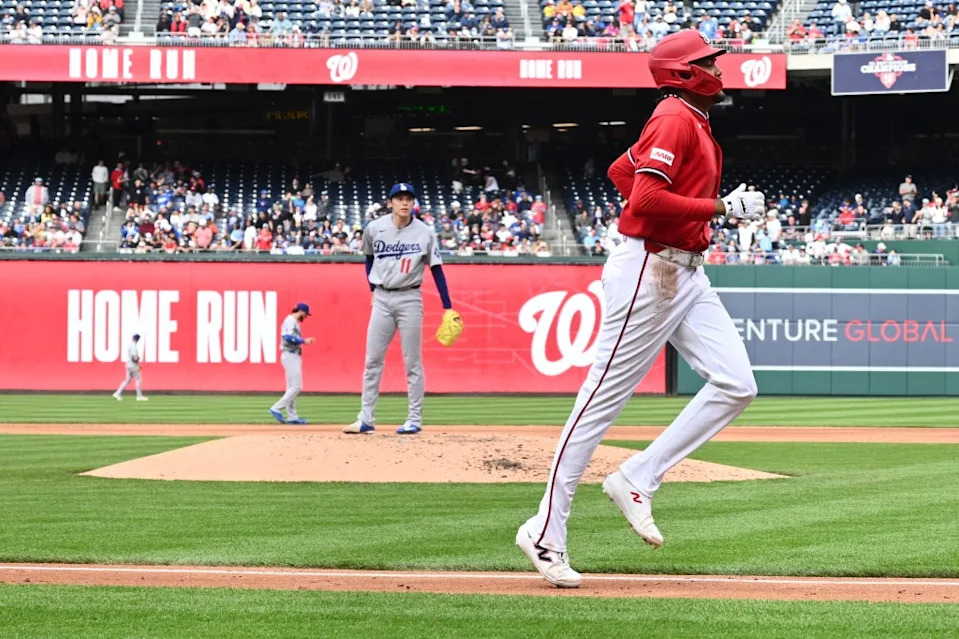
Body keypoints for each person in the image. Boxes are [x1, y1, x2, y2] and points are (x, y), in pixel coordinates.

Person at [515, 29, 764, 589]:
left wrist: (704, 212)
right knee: (598, 405)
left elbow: (620, 173)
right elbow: (645, 197)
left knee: (736, 383)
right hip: (650, 268)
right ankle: (545, 532)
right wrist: (722, 206)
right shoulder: (675, 116)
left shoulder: (687, 118)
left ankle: (637, 477)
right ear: (682, 72)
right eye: (708, 61)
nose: (718, 68)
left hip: (685, 270)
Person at [344, 183, 455, 435]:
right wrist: (372, 290)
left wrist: (447, 306)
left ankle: (414, 419)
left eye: (409, 198)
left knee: (412, 362)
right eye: (399, 198)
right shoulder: (375, 228)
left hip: (410, 298)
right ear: (390, 202)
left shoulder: (424, 232)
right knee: (372, 360)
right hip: (382, 298)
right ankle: (365, 419)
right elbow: (369, 258)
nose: (405, 203)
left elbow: (436, 269)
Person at [269, 302, 314, 424]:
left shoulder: (294, 322)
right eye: (305, 314)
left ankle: (292, 417)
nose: (305, 317)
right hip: (290, 355)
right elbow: (287, 337)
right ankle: (276, 408)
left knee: (291, 387)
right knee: (296, 387)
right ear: (301, 312)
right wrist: (304, 340)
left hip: (292, 355)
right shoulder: (290, 321)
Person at [113, 334, 148, 401]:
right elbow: (134, 358)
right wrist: (138, 364)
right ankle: (139, 396)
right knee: (138, 379)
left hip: (128, 365)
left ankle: (117, 393)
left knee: (127, 380)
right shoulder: (134, 346)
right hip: (133, 365)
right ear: (138, 339)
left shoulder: (130, 345)